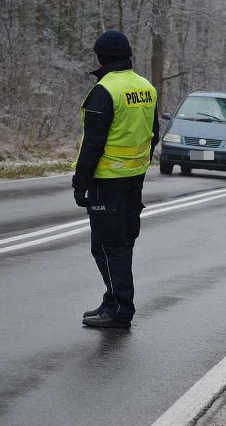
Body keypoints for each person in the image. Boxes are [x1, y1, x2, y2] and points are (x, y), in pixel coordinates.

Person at [72, 30, 159, 328]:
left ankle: (120, 308)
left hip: (106, 180)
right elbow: (154, 134)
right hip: (134, 179)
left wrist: (80, 183)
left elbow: (93, 143)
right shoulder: (146, 87)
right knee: (122, 242)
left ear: (101, 57)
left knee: (108, 246)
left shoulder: (105, 90)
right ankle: (113, 300)